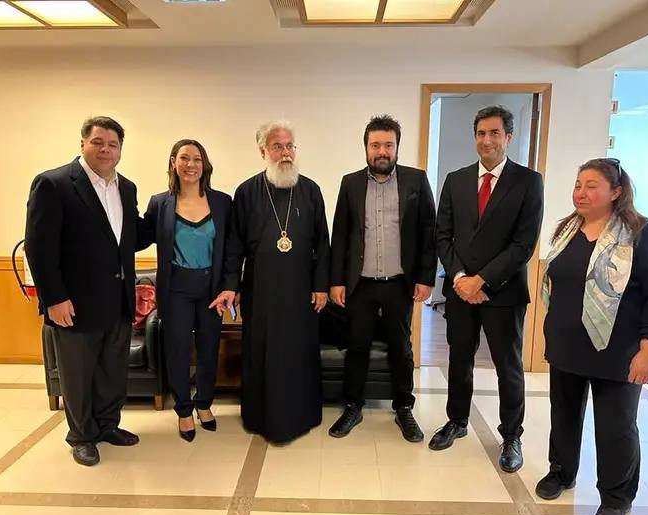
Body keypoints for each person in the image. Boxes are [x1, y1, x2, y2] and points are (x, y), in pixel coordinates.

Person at [535, 158, 648, 515]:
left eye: (591, 186)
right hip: (567, 346)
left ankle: (616, 496)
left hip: (618, 352)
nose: (580, 193)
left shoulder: (640, 234)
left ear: (616, 192)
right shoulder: (569, 228)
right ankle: (561, 472)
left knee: (617, 427)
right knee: (563, 416)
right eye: (578, 185)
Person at [431, 105, 544, 473]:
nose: (487, 140)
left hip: (503, 293)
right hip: (460, 292)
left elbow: (523, 245)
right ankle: (456, 421)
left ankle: (511, 435)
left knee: (508, 366)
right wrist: (460, 278)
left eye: (495, 133)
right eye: (481, 133)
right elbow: (442, 235)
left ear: (508, 137)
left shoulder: (528, 182)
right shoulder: (456, 180)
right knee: (458, 360)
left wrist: (481, 281)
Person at [25, 116, 142, 466]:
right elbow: (39, 247)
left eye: (113, 144)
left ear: (120, 150)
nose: (106, 150)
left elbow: (130, 237)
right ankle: (82, 436)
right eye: (98, 142)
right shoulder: (54, 184)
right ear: (83, 144)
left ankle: (107, 426)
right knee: (77, 374)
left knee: (111, 371)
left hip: (117, 300)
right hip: (73, 303)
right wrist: (54, 298)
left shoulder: (127, 188)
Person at [210, 120, 330, 443]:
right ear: (263, 151)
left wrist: (321, 285)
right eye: (278, 146)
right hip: (260, 290)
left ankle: (302, 415)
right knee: (262, 352)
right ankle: (261, 417)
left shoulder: (311, 190)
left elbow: (323, 243)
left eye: (290, 146)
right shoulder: (247, 192)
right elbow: (234, 246)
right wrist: (231, 285)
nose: (285, 153)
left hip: (301, 291)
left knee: (298, 352)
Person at [328, 115, 436, 442]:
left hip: (399, 283)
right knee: (357, 345)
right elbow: (341, 234)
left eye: (388, 144)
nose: (382, 151)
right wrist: (336, 280)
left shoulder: (416, 181)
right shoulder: (350, 183)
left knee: (401, 347)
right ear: (366, 148)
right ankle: (353, 406)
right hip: (360, 284)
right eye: (375, 145)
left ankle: (404, 407)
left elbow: (428, 233)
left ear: (397, 147)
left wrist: (426, 277)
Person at [139, 139, 231, 442]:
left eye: (197, 159)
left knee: (208, 349)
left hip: (212, 290)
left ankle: (204, 404)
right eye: (184, 158)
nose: (191, 164)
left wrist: (231, 285)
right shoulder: (159, 203)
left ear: (205, 165)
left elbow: (232, 250)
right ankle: (183, 409)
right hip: (175, 288)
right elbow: (138, 237)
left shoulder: (222, 202)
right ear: (173, 163)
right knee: (177, 350)